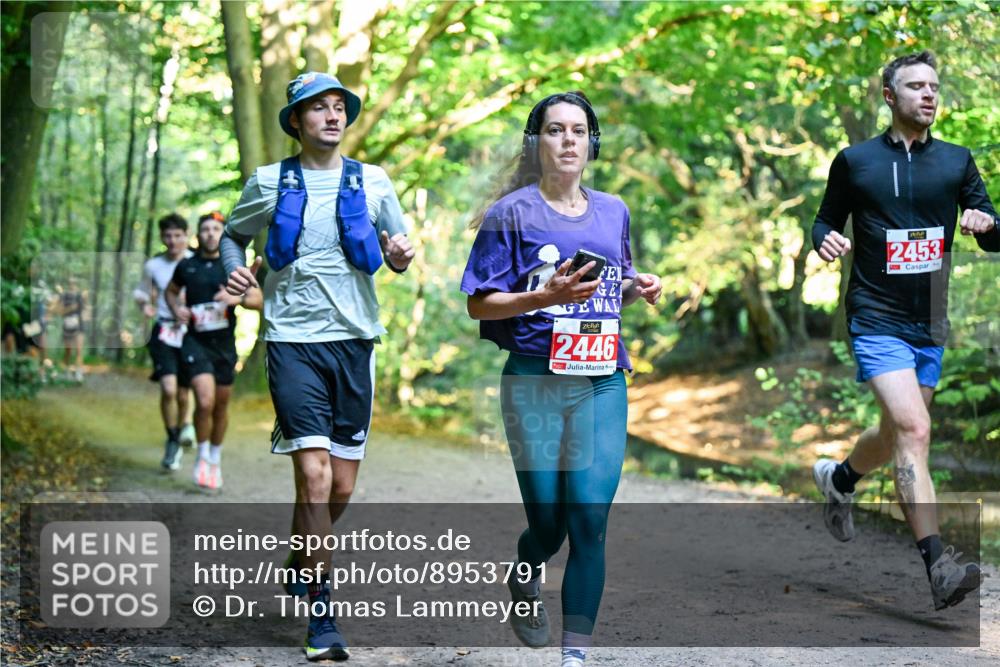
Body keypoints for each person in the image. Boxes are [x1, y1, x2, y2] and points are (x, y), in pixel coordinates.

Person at [461, 91, 662, 667]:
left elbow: (607, 288)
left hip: (602, 378)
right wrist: (540, 296)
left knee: (590, 518)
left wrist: (636, 287)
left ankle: (576, 655)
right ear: (537, 142)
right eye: (555, 130)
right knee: (548, 526)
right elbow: (480, 305)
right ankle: (526, 574)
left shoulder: (613, 210)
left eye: (578, 130)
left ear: (591, 143)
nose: (568, 140)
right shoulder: (512, 213)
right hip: (534, 384)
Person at [221, 71, 414, 661]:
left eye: (339, 108)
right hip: (292, 341)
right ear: (297, 122)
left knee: (342, 486)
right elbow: (233, 235)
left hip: (356, 342)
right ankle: (322, 616)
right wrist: (235, 270)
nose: (332, 116)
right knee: (315, 476)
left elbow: (401, 249)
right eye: (318, 109)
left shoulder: (374, 182)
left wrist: (403, 253)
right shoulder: (268, 181)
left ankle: (303, 552)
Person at [810, 51, 998, 611]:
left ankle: (841, 479)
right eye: (915, 85)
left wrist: (986, 224)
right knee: (915, 430)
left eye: (934, 86)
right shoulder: (856, 161)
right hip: (874, 316)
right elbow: (825, 219)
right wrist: (823, 240)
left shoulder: (958, 162)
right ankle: (938, 566)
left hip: (929, 320)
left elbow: (993, 233)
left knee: (895, 435)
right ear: (889, 96)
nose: (928, 94)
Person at [165, 212, 262, 491]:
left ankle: (215, 459)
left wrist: (238, 298)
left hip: (224, 347)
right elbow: (171, 293)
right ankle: (202, 455)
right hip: (195, 343)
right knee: (204, 402)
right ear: (198, 234)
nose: (210, 233)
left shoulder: (232, 265)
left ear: (223, 234)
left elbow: (258, 300)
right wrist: (177, 309)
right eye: (205, 229)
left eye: (216, 229)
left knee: (220, 406)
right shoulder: (187, 266)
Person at [134, 213, 196, 470]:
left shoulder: (197, 261)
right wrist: (145, 306)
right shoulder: (154, 266)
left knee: (184, 391)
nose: (172, 241)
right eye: (168, 236)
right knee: (169, 389)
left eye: (177, 236)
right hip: (163, 330)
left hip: (191, 332)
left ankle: (186, 426)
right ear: (162, 237)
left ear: (186, 235)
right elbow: (140, 292)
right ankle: (172, 438)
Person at [56, 277, 86, 382]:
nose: (72, 285)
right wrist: (70, 308)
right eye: (71, 283)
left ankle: (78, 373)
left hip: (78, 325)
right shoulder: (63, 296)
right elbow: (59, 311)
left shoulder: (80, 296)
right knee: (68, 350)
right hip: (67, 325)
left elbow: (83, 310)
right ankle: (65, 372)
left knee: (78, 349)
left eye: (75, 283)